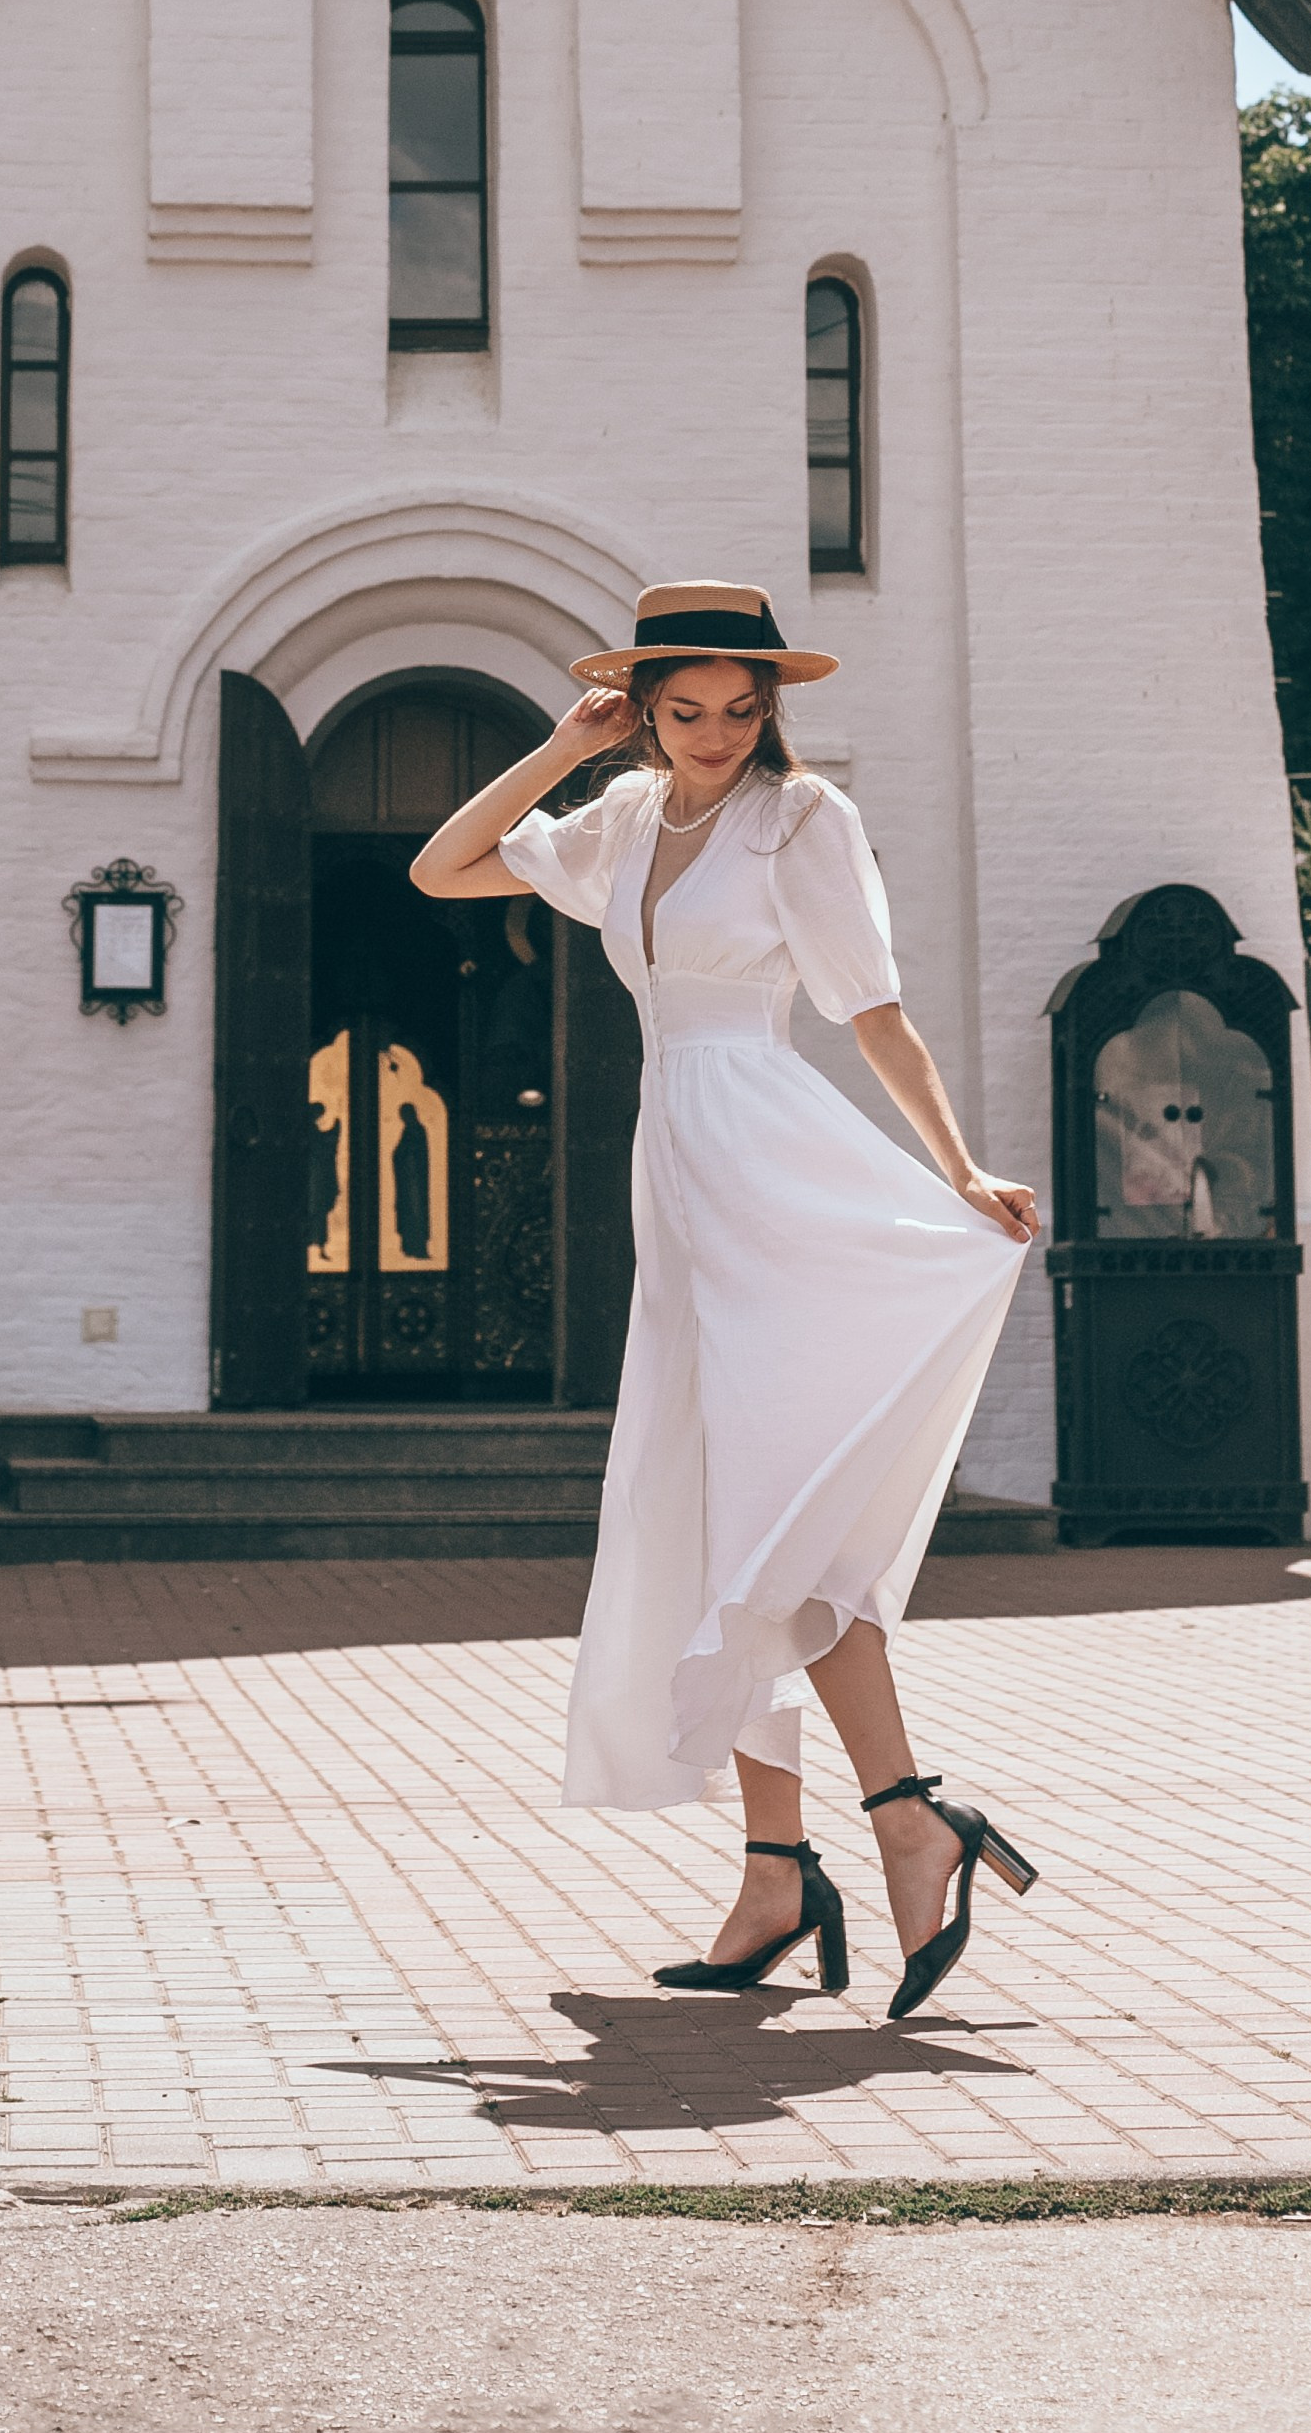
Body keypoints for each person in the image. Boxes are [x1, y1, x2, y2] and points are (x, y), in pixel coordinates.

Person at [410, 581, 1041, 2021]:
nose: (710, 738)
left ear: (771, 708)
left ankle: (899, 1815)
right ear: (642, 709)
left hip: (771, 1157)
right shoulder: (621, 818)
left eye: (736, 711)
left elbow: (871, 1007)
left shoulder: (799, 820)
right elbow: (443, 870)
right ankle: (779, 1866)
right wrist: (567, 748)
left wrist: (954, 1167)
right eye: (681, 713)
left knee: (781, 1516)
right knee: (718, 1520)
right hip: (679, 1173)